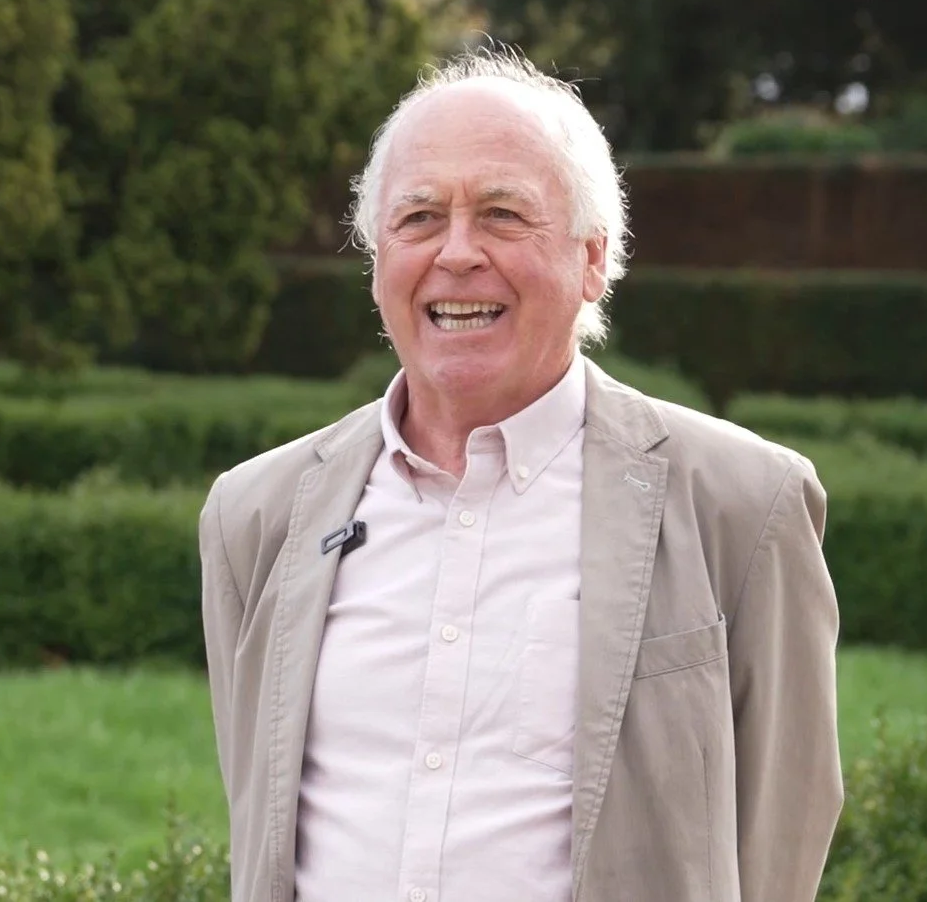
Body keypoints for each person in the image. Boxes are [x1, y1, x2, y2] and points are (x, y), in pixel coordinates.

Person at [199, 48, 843, 902]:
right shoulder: (255, 514)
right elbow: (260, 815)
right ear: (378, 257)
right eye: (419, 218)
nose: (457, 253)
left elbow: (782, 835)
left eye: (503, 215)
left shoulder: (743, 505)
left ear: (591, 259)